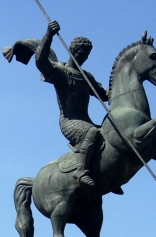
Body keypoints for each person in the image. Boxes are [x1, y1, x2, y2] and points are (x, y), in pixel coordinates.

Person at [34, 20, 108, 187]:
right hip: (69, 120)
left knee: (109, 135)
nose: (83, 57)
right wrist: (49, 35)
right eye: (81, 53)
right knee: (93, 132)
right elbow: (41, 62)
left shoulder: (86, 76)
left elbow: (103, 95)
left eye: (86, 55)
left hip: (85, 119)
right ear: (72, 51)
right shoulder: (60, 71)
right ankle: (81, 171)